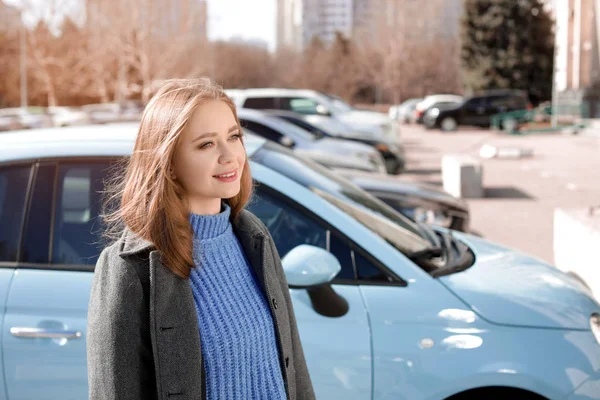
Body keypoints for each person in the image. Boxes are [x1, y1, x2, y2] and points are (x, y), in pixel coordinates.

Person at [87, 78, 315, 400]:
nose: (230, 155)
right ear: (169, 162)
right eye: (206, 144)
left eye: (234, 136)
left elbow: (296, 373)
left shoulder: (254, 238)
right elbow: (115, 391)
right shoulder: (130, 268)